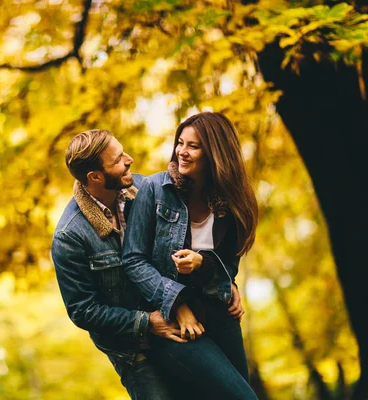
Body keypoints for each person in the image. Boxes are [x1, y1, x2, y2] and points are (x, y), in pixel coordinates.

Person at [51, 128, 247, 399]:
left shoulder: (149, 190)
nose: (129, 160)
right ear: (95, 177)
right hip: (133, 349)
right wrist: (147, 322)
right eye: (118, 159)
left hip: (181, 319)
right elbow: (83, 310)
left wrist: (224, 280)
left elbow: (197, 238)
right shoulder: (69, 236)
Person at [122, 111, 259, 398]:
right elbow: (133, 260)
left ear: (215, 152)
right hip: (174, 321)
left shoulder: (232, 202)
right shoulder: (154, 189)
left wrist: (204, 265)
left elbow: (228, 266)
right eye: (180, 143)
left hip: (220, 313)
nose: (181, 152)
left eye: (193, 146)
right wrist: (178, 305)